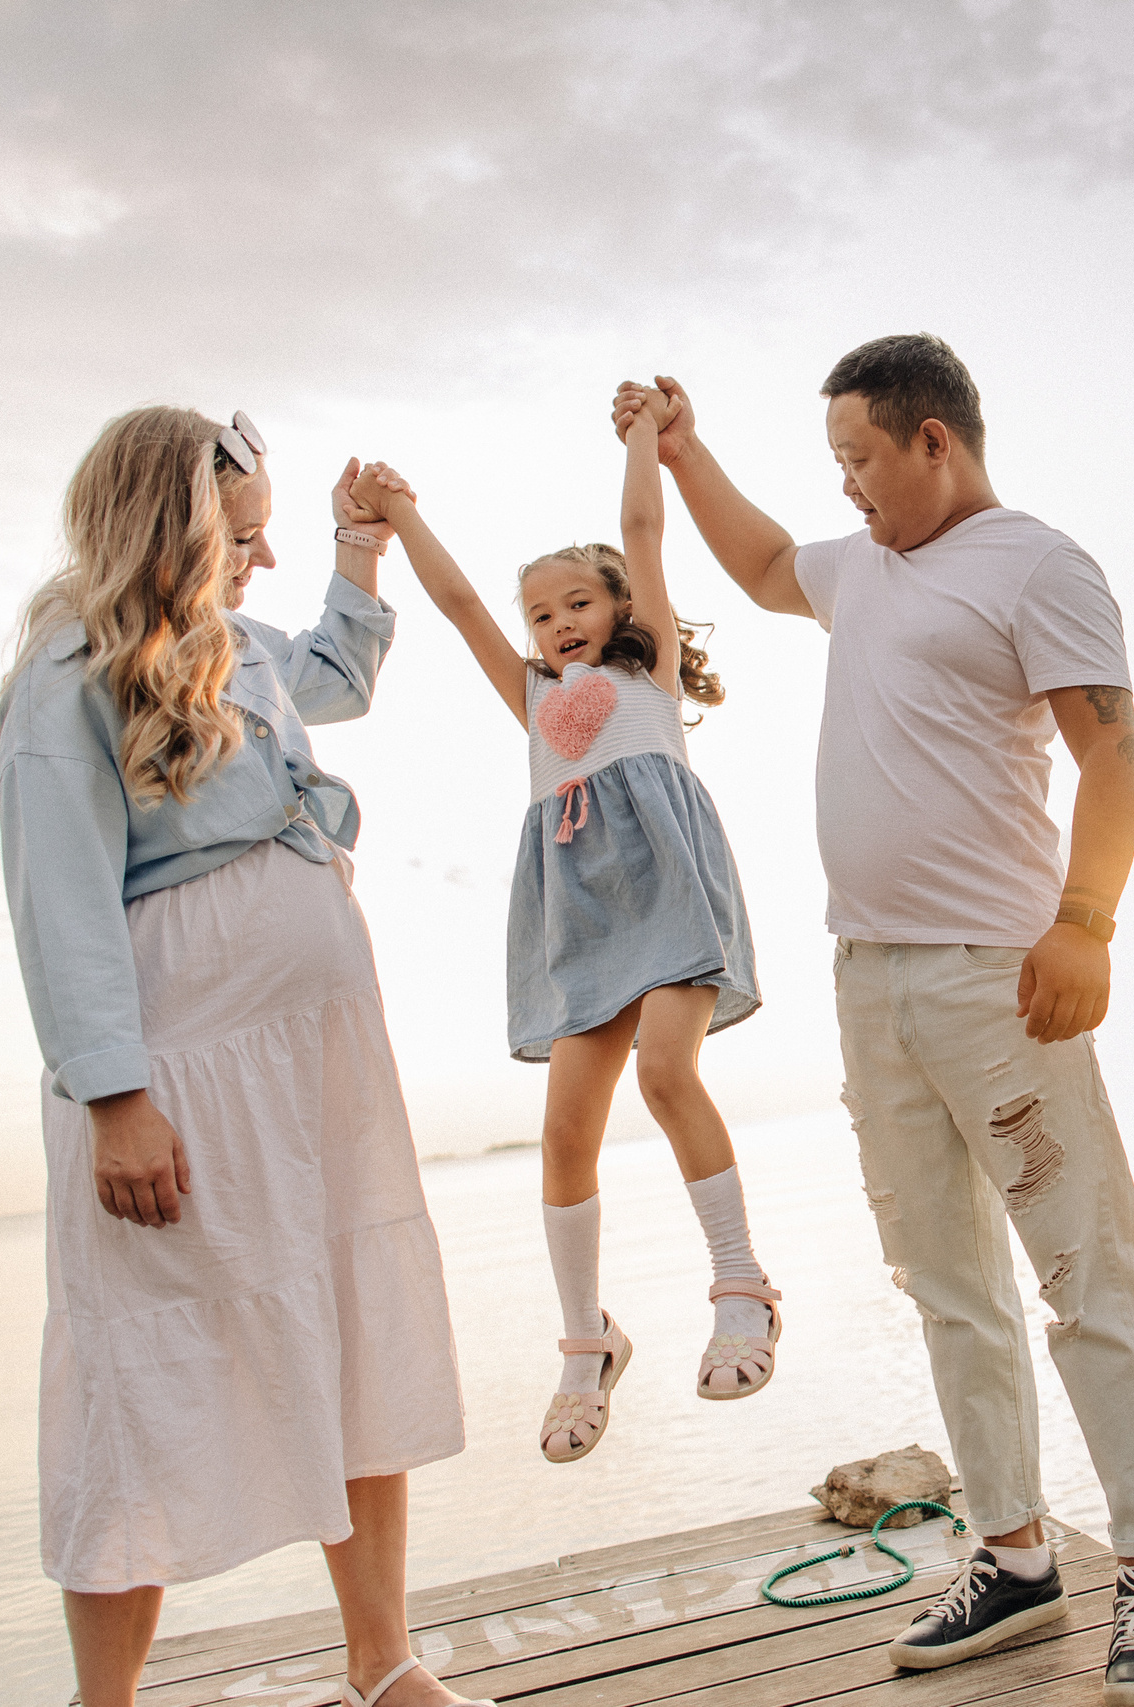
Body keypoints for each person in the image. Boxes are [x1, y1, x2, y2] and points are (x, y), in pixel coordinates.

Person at [613, 334, 1134, 1705]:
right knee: (946, 1283)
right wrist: (686, 449)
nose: (850, 489)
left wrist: (1086, 921)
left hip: (1001, 975)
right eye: (836, 465)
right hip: (866, 978)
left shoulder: (1038, 566)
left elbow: (1112, 750)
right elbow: (762, 567)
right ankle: (1012, 1553)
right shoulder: (862, 565)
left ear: (934, 439)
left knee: (1083, 1269)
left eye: (863, 460)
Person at [0, 407, 483, 1707]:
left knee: (350, 1312)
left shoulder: (239, 650)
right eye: (240, 539)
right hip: (180, 1072)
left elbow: (341, 669)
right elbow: (62, 901)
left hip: (313, 1055)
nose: (258, 562)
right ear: (170, 531)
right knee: (136, 1371)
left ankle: (382, 1661)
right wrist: (115, 1096)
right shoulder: (63, 676)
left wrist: (357, 548)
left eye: (269, 539)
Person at [345, 379, 772, 1472]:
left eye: (575, 604)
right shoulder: (533, 700)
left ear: (619, 609)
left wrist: (641, 435)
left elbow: (640, 528)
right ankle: (587, 1343)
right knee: (563, 1133)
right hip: (579, 915)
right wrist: (397, 520)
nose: (555, 624)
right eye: (540, 614)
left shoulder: (653, 672)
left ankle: (740, 1286)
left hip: (669, 889)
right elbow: (455, 607)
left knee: (669, 1074)